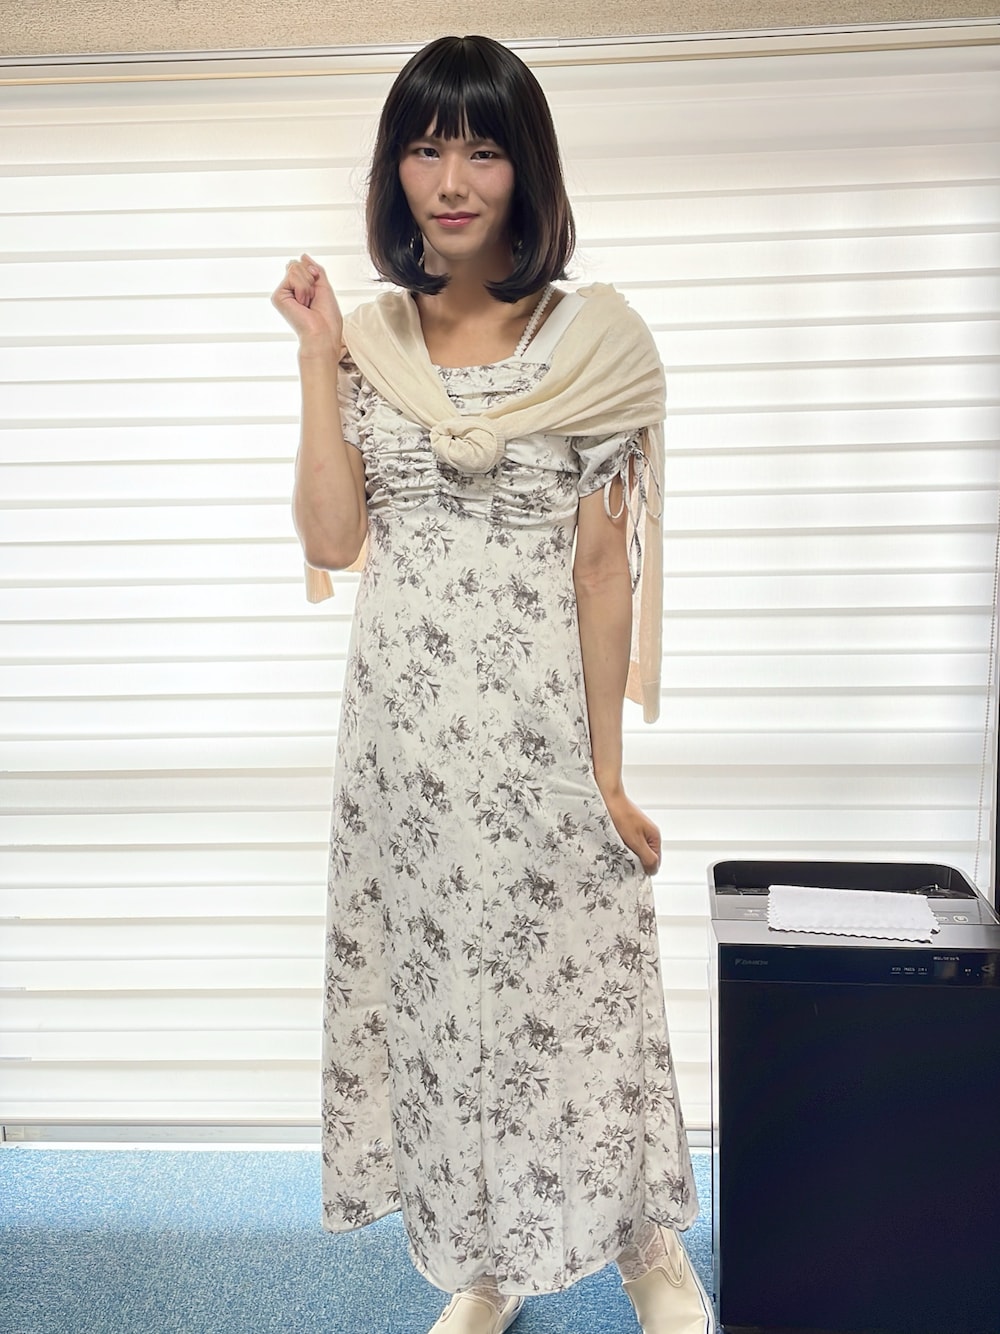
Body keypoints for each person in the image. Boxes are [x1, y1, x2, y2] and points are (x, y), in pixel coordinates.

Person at [271, 34, 714, 1334]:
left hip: (539, 745)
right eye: (425, 149)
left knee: (581, 996)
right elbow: (333, 541)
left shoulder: (594, 342)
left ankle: (648, 1252)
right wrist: (314, 363)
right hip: (405, 749)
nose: (452, 180)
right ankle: (485, 1261)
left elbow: (602, 572)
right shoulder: (367, 344)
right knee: (443, 1007)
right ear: (394, 172)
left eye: (481, 148)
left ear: (528, 170)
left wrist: (609, 777)